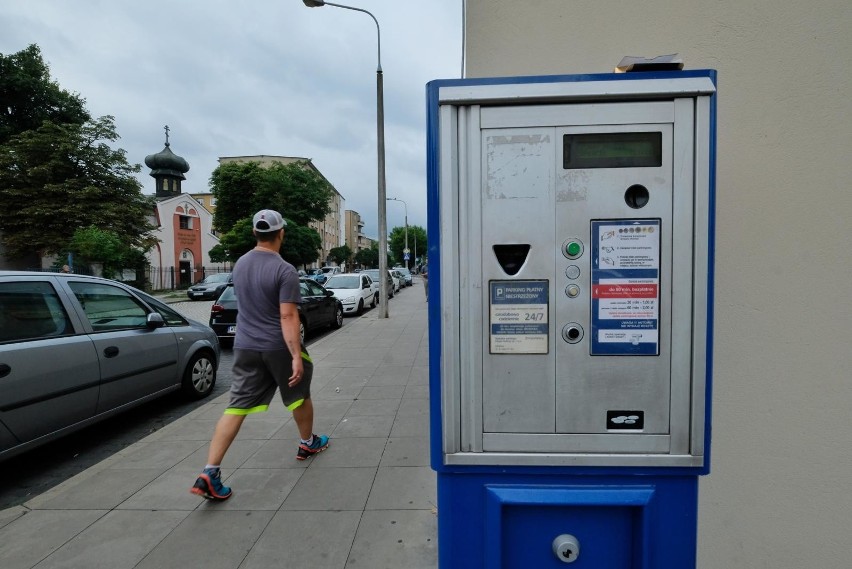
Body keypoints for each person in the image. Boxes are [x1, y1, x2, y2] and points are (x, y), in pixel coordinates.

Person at [190, 209, 329, 501]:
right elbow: (288, 316)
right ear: (281, 233)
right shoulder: (285, 270)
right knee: (300, 393)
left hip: (244, 345)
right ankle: (307, 443)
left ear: (255, 233)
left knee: (236, 406)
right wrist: (294, 355)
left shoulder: (240, 265)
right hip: (277, 345)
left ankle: (210, 471)